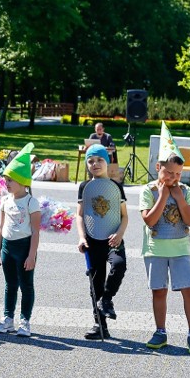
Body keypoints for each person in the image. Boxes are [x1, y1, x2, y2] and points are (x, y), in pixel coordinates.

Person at [139, 122, 190, 354]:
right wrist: (164, 196)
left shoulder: (184, 191)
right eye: (169, 173)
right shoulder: (149, 191)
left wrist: (179, 198)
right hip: (156, 249)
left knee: (189, 290)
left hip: (180, 248)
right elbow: (150, 220)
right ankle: (160, 331)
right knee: (159, 290)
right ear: (158, 167)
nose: (174, 178)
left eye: (178, 174)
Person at [75, 143, 128, 340]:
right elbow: (79, 215)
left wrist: (120, 233)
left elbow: (124, 216)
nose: (95, 164)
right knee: (95, 282)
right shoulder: (84, 187)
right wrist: (81, 236)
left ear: (107, 162)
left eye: (99, 160)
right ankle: (100, 325)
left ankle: (106, 300)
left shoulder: (116, 186)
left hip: (113, 237)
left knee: (119, 265)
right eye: (90, 161)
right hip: (92, 239)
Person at [0, 143, 40, 337]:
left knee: (26, 285)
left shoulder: (31, 202)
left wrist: (31, 255)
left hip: (25, 247)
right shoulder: (5, 200)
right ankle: (8, 319)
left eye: (11, 180)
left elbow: (35, 231)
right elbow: (0, 227)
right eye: (5, 179)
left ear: (23, 181)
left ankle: (25, 321)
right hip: (7, 247)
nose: (7, 183)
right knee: (10, 284)